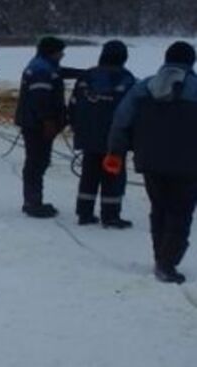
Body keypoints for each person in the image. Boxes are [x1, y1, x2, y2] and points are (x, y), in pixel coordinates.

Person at [106, 41, 197, 284]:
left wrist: (115, 151)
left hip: (149, 161)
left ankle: (161, 257)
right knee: (180, 212)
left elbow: (121, 120)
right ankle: (167, 263)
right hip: (188, 164)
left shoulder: (143, 87)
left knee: (159, 209)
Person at [68, 40, 135, 227]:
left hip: (88, 135)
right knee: (113, 176)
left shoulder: (86, 77)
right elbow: (132, 111)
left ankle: (84, 213)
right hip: (114, 138)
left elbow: (73, 104)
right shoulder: (126, 79)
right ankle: (110, 215)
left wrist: (76, 126)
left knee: (89, 174)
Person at [15, 35, 73, 218]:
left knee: (38, 161)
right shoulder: (41, 70)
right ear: (52, 52)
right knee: (36, 162)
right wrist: (48, 121)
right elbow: (40, 99)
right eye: (60, 52)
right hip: (36, 124)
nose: (62, 55)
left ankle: (33, 200)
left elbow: (59, 72)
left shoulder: (45, 66)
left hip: (34, 122)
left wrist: (85, 73)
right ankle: (32, 203)